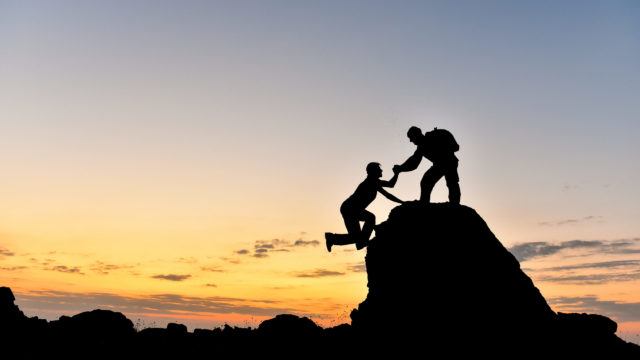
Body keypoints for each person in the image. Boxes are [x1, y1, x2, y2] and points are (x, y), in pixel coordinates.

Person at [325, 162, 403, 252]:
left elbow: (390, 186)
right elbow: (388, 192)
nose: (381, 170)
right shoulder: (371, 182)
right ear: (373, 172)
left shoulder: (374, 182)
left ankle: (332, 238)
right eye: (379, 169)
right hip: (350, 208)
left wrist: (397, 174)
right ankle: (357, 242)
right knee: (370, 218)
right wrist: (401, 201)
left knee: (356, 237)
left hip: (351, 209)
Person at [394, 126, 461, 204]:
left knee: (451, 182)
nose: (410, 140)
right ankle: (424, 202)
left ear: (417, 134)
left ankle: (454, 204)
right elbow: (413, 163)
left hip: (449, 162)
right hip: (439, 165)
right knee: (426, 181)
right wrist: (400, 168)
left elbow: (455, 147)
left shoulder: (434, 136)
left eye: (411, 137)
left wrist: (444, 150)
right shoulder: (421, 148)